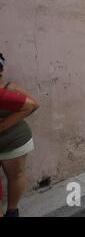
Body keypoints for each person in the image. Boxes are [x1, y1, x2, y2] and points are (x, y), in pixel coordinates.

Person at [0, 53, 39, 217]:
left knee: (15, 175)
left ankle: (12, 210)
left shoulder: (10, 88)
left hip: (14, 141)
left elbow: (34, 104)